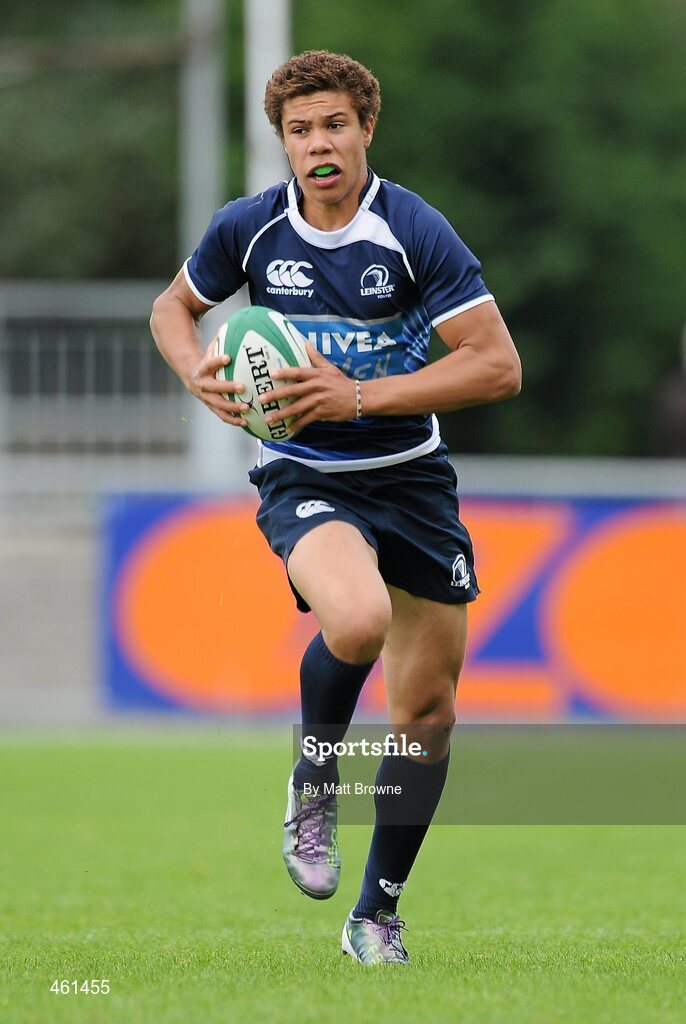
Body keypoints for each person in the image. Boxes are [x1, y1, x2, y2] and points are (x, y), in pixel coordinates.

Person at [151, 49, 521, 965]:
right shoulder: (249, 228)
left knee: (425, 716)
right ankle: (315, 780)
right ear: (282, 141)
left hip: (413, 479)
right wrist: (197, 375)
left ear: (365, 130)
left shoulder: (412, 232)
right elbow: (171, 308)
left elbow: (496, 364)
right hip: (306, 475)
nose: (318, 144)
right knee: (354, 620)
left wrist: (355, 394)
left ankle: (376, 917)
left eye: (334, 126)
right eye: (300, 129)